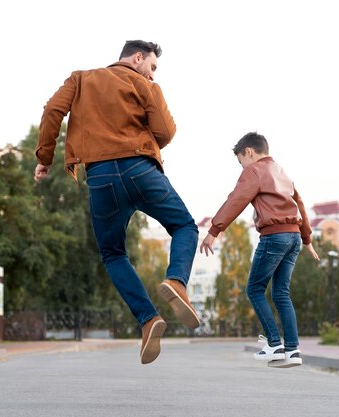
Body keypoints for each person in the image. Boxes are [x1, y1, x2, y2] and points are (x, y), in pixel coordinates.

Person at [34, 40, 200, 365]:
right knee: (183, 226)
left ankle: (149, 319)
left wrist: (45, 156)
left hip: (99, 178)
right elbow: (166, 131)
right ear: (138, 58)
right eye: (152, 67)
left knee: (112, 254)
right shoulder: (144, 85)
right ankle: (177, 282)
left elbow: (52, 111)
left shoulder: (80, 79)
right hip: (141, 170)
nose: (152, 75)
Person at [199, 132, 320, 368]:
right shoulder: (282, 171)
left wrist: (214, 229)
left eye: (240, 161)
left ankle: (274, 344)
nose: (241, 168)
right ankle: (293, 351)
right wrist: (306, 239)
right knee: (281, 293)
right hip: (294, 236)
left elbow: (238, 198)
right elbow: (300, 204)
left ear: (249, 152)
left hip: (274, 236)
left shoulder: (254, 171)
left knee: (255, 289)